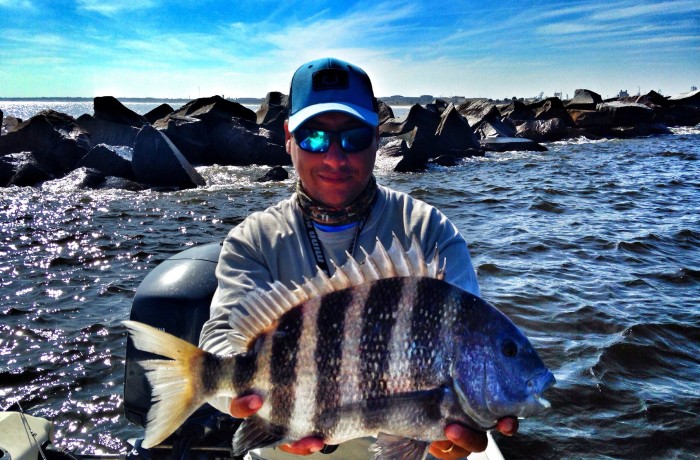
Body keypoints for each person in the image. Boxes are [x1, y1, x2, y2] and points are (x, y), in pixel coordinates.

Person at [199, 57, 518, 459]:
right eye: (314, 138)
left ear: (377, 137)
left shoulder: (429, 232)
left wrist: (451, 440)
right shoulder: (253, 240)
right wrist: (243, 393)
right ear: (288, 138)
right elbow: (222, 337)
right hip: (288, 442)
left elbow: (467, 346)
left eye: (353, 137)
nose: (334, 157)